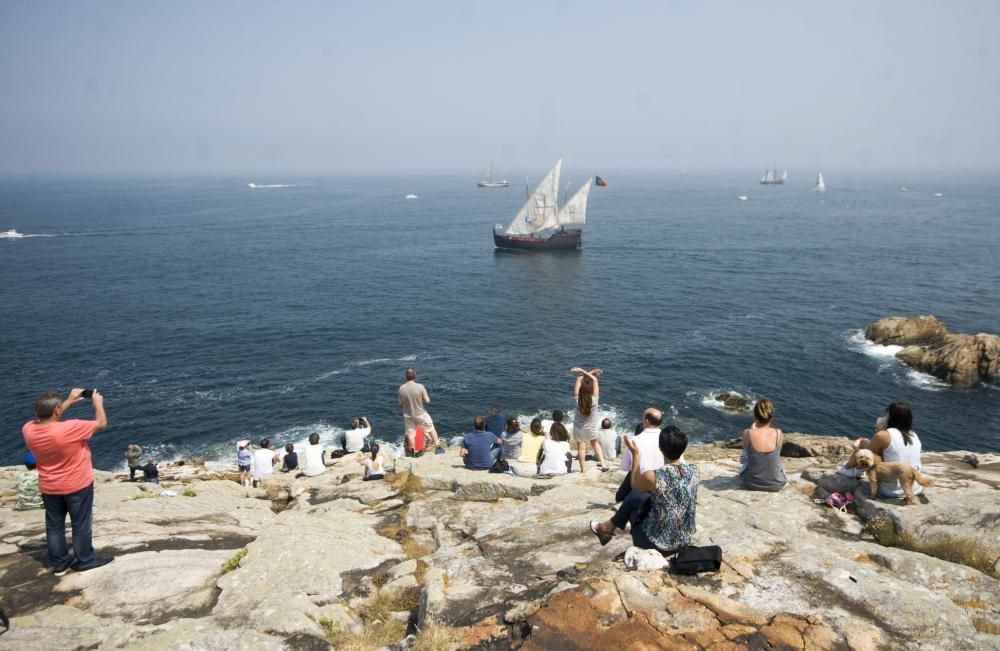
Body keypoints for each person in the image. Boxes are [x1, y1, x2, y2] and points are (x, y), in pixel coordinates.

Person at [22, 388, 113, 575]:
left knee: (54, 525)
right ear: (56, 410)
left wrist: (69, 401)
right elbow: (101, 423)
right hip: (77, 485)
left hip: (49, 486)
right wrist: (97, 403)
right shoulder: (70, 428)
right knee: (81, 523)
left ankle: (60, 563)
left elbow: (50, 417)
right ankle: (85, 560)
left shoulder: (28, 429)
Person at [591, 426, 699, 553]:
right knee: (642, 498)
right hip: (683, 542)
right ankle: (607, 528)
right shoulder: (695, 471)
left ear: (661, 448)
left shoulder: (653, 476)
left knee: (633, 498)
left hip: (655, 545)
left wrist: (635, 454)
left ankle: (606, 528)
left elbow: (634, 484)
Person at [849, 401, 924, 498]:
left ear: (890, 416)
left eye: (886, 414)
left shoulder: (883, 435)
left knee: (861, 456)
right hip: (914, 488)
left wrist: (856, 446)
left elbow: (867, 458)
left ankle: (850, 473)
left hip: (892, 490)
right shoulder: (913, 435)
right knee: (868, 446)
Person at [617, 409, 666, 502]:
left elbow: (625, 467)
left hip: (640, 484)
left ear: (646, 421)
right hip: (662, 483)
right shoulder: (668, 438)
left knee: (620, 497)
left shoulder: (634, 440)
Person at [738, 398, 787, 492]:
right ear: (771, 417)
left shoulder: (747, 433)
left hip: (751, 483)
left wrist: (752, 430)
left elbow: (745, 455)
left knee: (745, 457)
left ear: (755, 416)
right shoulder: (779, 433)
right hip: (776, 485)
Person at [398, 368, 444, 454]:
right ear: (415, 376)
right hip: (420, 414)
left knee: (411, 435)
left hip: (408, 416)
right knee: (431, 428)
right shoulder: (420, 386)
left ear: (406, 377)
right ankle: (438, 447)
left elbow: (400, 403)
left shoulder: (401, 388)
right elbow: (427, 401)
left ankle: (413, 453)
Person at [571, 368, 607, 472]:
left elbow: (578, 380)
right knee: (595, 444)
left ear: (581, 390)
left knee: (581, 448)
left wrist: (582, 372)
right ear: (591, 390)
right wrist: (590, 372)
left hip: (579, 428)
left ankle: (583, 469)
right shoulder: (595, 400)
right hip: (591, 428)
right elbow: (595, 380)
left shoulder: (577, 400)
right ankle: (603, 464)